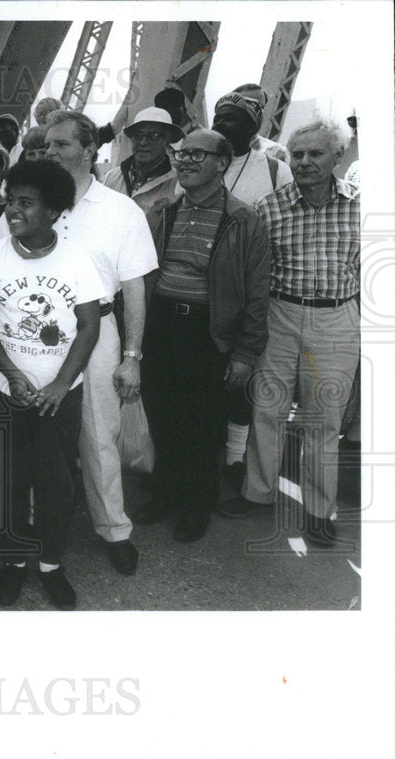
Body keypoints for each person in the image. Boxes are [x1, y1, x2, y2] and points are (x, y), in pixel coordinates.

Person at [0, 109, 158, 575]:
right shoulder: (26, 203)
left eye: (62, 145)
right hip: (27, 332)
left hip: (97, 331)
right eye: (45, 145)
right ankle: (27, 534)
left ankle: (113, 529)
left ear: (90, 150)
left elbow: (136, 287)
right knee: (28, 439)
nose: (51, 153)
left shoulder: (121, 211)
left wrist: (132, 357)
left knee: (99, 436)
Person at [218, 120, 360, 548]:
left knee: (325, 418)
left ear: (337, 157)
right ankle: (257, 492)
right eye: (297, 154)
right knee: (268, 407)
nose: (304, 162)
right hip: (279, 314)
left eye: (316, 154)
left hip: (336, 318)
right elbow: (253, 273)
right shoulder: (269, 208)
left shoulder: (362, 206)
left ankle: (318, 511)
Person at [0, 160, 104, 608]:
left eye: (26, 203)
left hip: (58, 393)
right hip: (4, 387)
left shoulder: (77, 257)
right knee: (7, 477)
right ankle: (12, 561)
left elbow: (88, 325)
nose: (13, 210)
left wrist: (60, 385)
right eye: (11, 201)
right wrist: (11, 374)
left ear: (54, 212)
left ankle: (49, 563)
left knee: (56, 480)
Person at [139, 130, 270, 541]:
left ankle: (197, 505)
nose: (185, 160)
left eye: (198, 154)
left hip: (207, 331)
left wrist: (246, 353)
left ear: (222, 163)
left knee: (201, 423)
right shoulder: (162, 212)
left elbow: (257, 290)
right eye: (181, 153)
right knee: (161, 413)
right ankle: (164, 493)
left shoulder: (244, 220)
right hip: (160, 326)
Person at [211, 91, 294, 480]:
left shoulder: (275, 170)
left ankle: (235, 457)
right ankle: (208, 454)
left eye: (230, 119)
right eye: (217, 117)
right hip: (205, 290)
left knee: (243, 375)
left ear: (252, 127)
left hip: (252, 286)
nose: (221, 124)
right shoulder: (204, 160)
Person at [102, 107, 183, 213]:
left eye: (153, 136)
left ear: (167, 142)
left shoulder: (179, 186)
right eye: (137, 135)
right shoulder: (110, 179)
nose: (143, 142)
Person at [233, 83, 290, 163]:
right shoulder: (216, 147)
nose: (254, 112)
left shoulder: (276, 153)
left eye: (260, 107)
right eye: (248, 105)